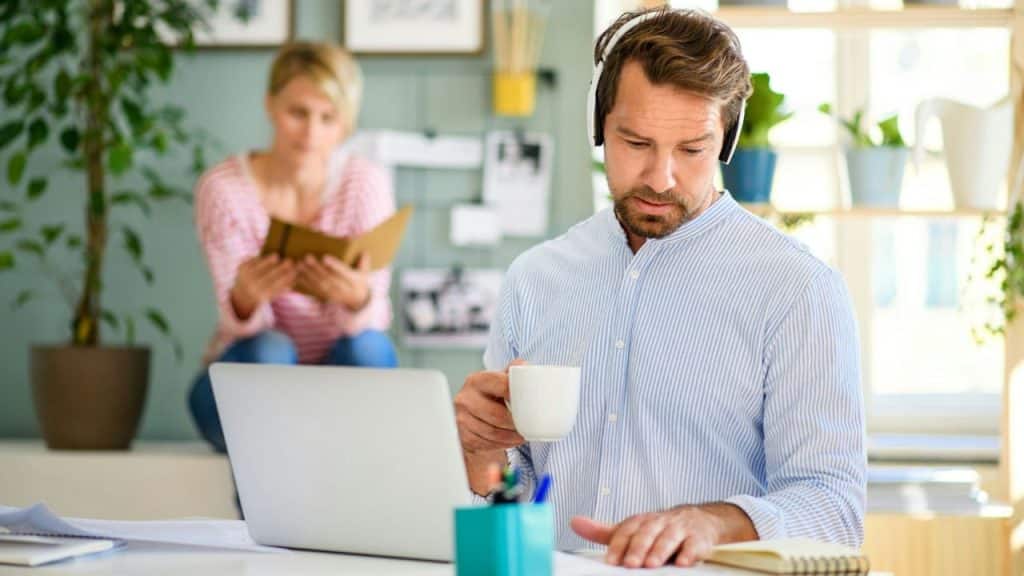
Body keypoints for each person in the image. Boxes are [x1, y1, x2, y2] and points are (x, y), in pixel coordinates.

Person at [453, 7, 865, 569]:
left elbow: (835, 508)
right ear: (599, 127)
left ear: (726, 139)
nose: (660, 177)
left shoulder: (797, 289)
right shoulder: (536, 278)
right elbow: (518, 489)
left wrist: (710, 522)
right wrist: (482, 453)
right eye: (635, 142)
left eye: (691, 150)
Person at [189, 42, 398, 453]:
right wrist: (245, 299)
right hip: (248, 377)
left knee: (368, 346)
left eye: (328, 118)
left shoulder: (365, 184)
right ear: (270, 105)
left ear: (346, 125)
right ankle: (261, 509)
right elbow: (241, 329)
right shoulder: (224, 190)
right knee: (271, 348)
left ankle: (343, 488)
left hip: (335, 380)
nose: (311, 133)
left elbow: (372, 320)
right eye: (297, 113)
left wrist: (356, 298)